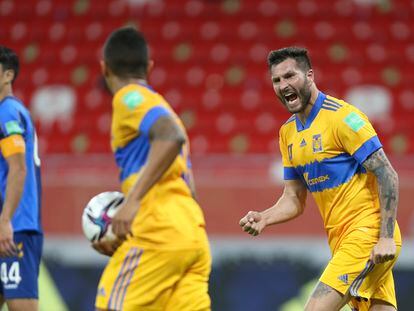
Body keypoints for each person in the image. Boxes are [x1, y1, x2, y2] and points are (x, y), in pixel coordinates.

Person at [239, 47, 401, 311]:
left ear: (310, 75)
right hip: (341, 241)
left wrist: (385, 237)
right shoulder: (287, 134)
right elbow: (293, 198)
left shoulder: (343, 118)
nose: (283, 85)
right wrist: (264, 217)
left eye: (290, 76)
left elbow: (387, 173)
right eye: (277, 80)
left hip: (368, 235)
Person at [92, 27, 211, 311]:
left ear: (104, 68)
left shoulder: (129, 97)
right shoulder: (164, 108)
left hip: (157, 230)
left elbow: (171, 136)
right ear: (149, 67)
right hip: (192, 233)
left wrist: (131, 202)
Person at [0, 46, 43, 311]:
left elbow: (18, 169)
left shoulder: (7, 113)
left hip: (16, 227)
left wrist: (5, 221)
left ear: (7, 75)